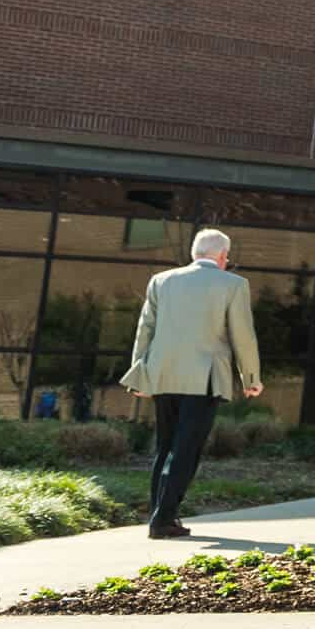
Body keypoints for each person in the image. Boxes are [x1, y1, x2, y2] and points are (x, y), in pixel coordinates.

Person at [119, 228, 263, 540]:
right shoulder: (234, 285)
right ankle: (163, 520)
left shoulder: (161, 280)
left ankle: (161, 516)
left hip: (164, 375)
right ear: (222, 257)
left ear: (193, 253)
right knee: (186, 450)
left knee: (166, 447)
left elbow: (145, 330)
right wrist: (250, 378)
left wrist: (139, 376)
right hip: (204, 379)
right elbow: (243, 335)